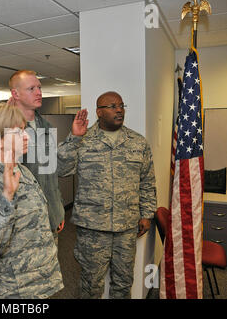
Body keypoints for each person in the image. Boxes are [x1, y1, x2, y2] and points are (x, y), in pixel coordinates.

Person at [57, 91, 157, 299]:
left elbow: (147, 180)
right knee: (91, 283)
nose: (119, 109)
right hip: (92, 228)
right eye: (112, 106)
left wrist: (147, 214)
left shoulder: (138, 142)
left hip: (126, 227)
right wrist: (74, 138)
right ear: (99, 112)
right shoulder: (83, 140)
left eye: (121, 105)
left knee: (123, 282)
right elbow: (61, 169)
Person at [0, 102, 63, 298]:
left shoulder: (22, 170)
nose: (26, 136)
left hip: (39, 281)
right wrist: (7, 197)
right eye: (18, 132)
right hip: (15, 289)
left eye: (25, 130)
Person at [0, 70, 66, 244]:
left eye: (39, 87)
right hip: (19, 229)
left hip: (48, 219)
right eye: (31, 88)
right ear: (15, 94)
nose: (39, 92)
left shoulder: (46, 126)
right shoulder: (1, 124)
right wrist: (1, 127)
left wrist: (57, 210)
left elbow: (51, 174)